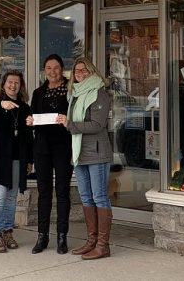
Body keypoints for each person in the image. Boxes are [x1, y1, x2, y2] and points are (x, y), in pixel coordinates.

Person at [57, 57, 113, 261]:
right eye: (76, 71)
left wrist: (70, 124)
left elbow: (97, 125)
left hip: (97, 153)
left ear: (92, 72)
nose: (80, 74)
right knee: (86, 197)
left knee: (99, 197)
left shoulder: (100, 93)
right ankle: (91, 241)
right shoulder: (74, 95)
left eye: (84, 70)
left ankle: (103, 245)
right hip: (79, 153)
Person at [25, 54, 72, 255]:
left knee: (62, 192)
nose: (52, 71)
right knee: (44, 193)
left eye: (56, 68)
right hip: (42, 148)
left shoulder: (71, 89)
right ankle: (42, 236)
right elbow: (32, 116)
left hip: (63, 146)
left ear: (62, 69)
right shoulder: (38, 92)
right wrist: (30, 121)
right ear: (44, 70)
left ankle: (62, 237)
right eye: (48, 68)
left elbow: (76, 116)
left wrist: (67, 119)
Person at [0, 70, 33, 253]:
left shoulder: (25, 107)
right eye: (10, 82)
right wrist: (3, 107)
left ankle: (7, 231)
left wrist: (29, 160)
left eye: (16, 83)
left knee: (12, 198)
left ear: (21, 86)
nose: (13, 85)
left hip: (17, 158)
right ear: (4, 85)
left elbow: (28, 138)